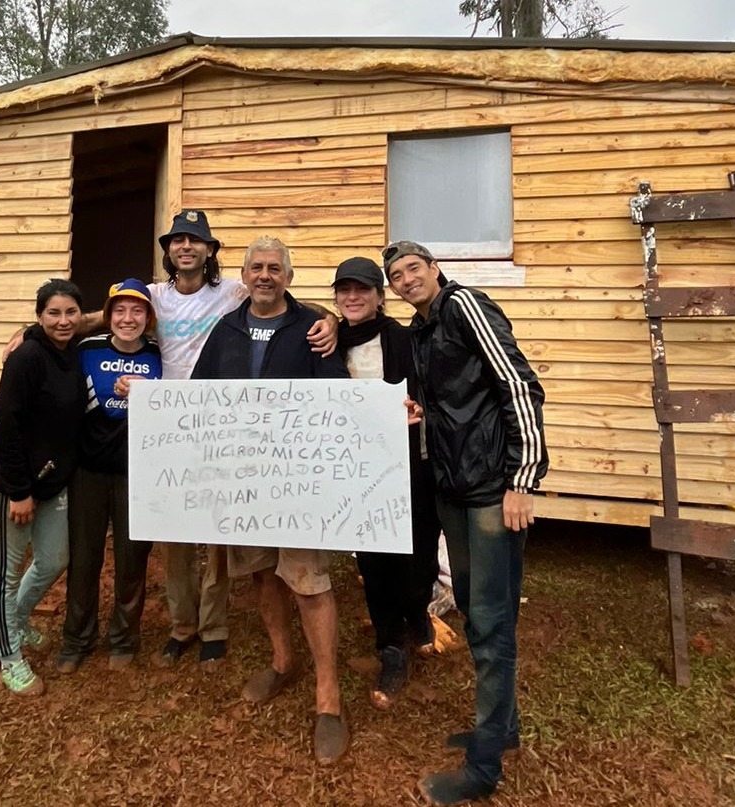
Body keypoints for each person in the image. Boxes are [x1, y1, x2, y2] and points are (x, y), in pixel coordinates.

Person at [2, 210, 337, 671]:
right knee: (174, 539)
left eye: (195, 240)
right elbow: (106, 315)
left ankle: (214, 629)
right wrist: (33, 330)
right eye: (177, 240)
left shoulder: (234, 291)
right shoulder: (154, 296)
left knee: (218, 539)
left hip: (218, 424)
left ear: (209, 251)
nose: (186, 247)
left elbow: (288, 302)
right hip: (165, 427)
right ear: (168, 251)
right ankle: (182, 626)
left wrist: (333, 318)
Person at [383, 241, 548, 806]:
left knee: (494, 620)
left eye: (413, 269)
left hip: (490, 492)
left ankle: (483, 768)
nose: (406, 280)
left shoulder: (464, 306)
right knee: (479, 611)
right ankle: (502, 729)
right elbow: (460, 401)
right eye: (396, 276)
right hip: (454, 487)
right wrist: (421, 411)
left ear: (434, 269)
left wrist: (522, 478)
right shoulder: (422, 331)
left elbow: (518, 385)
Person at [190, 236, 352, 765]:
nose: (264, 275)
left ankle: (328, 698)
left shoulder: (311, 328)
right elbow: (197, 395)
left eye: (274, 267)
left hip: (298, 482)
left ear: (288, 274)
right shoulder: (227, 328)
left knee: (308, 581)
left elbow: (334, 396)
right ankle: (284, 663)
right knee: (262, 574)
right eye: (256, 267)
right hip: (243, 482)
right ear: (243, 273)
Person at [332, 256, 441, 711]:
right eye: (344, 290)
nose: (353, 297)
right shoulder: (327, 343)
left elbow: (434, 391)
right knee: (375, 564)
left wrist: (420, 411)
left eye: (363, 289)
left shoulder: (406, 339)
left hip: (411, 465)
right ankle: (390, 646)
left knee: (417, 558)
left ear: (379, 297)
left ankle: (417, 612)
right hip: (356, 472)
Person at [0, 279, 84, 696]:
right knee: (5, 573)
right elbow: (5, 426)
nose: (63, 321)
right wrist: (19, 491)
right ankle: (8, 656)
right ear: (39, 316)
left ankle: (19, 620)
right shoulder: (26, 358)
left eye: (70, 312)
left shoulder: (73, 351)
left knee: (55, 557)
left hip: (52, 482)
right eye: (53, 313)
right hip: (11, 485)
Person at [56, 279, 163, 674]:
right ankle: (77, 638)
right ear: (108, 316)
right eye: (120, 310)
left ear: (149, 318)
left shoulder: (160, 354)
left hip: (139, 472)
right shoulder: (87, 349)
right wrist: (23, 334)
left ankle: (124, 637)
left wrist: (149, 392)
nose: (128, 318)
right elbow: (51, 341)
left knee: (133, 558)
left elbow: (176, 403)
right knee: (83, 557)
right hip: (88, 470)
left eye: (137, 311)